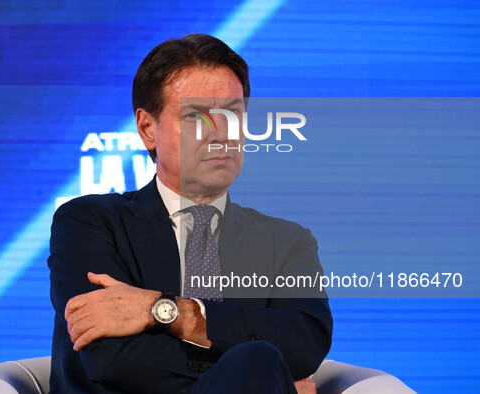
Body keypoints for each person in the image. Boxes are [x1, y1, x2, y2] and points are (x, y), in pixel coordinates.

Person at [48, 33, 333, 393]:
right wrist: (267, 378)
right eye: (195, 115)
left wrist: (162, 310)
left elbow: (306, 345)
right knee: (258, 360)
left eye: (232, 113)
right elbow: (110, 359)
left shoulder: (286, 240)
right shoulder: (89, 221)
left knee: (257, 359)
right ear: (147, 129)